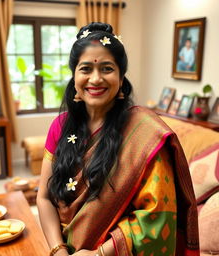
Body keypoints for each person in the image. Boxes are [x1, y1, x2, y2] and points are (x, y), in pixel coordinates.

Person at [37, 22, 199, 256]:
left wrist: (99, 254)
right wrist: (59, 250)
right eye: (85, 69)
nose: (95, 79)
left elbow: (156, 214)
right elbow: (43, 198)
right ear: (74, 76)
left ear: (121, 78)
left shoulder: (144, 133)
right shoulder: (60, 126)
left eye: (106, 69)